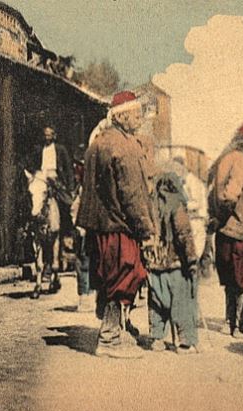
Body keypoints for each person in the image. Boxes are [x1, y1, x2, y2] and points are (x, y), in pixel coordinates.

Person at [76, 90, 156, 359]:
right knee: (124, 278)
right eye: (136, 114)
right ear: (121, 117)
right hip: (119, 226)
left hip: (99, 226)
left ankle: (118, 330)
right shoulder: (125, 146)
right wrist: (146, 230)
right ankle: (109, 339)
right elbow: (132, 195)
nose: (140, 119)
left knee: (108, 278)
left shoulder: (97, 143)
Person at [211, 123, 243, 338]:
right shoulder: (241, 160)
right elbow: (231, 195)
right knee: (241, 280)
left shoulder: (226, 158)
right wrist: (226, 214)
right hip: (239, 230)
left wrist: (218, 219)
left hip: (225, 231)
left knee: (230, 279)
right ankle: (238, 325)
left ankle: (228, 321)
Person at [143, 171, 199, 354]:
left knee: (157, 303)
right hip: (175, 265)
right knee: (181, 302)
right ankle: (184, 342)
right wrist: (191, 259)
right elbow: (184, 234)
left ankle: (157, 338)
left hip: (155, 264)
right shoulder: (176, 203)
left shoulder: (151, 205)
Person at [24, 125, 75, 283]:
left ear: (54, 136)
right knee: (33, 198)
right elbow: (31, 164)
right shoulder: (39, 150)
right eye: (45, 135)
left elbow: (68, 169)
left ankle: (66, 232)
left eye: (49, 135)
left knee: (65, 203)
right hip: (41, 178)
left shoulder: (60, 150)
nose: (47, 137)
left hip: (55, 179)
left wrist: (69, 187)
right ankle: (29, 226)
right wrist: (34, 175)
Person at [70, 145, 94, 312]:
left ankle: (87, 295)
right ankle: (85, 294)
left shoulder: (88, 187)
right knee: (82, 259)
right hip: (81, 225)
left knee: (85, 260)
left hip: (87, 225)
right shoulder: (80, 187)